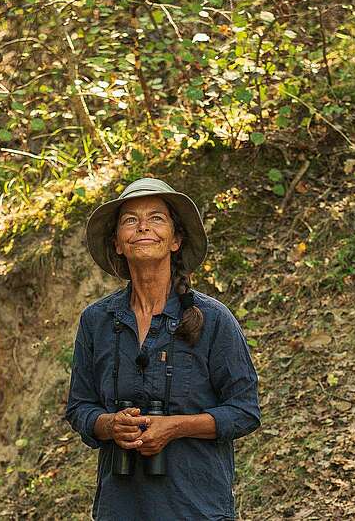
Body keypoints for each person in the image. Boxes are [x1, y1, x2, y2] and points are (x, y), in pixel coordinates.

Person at [64, 178, 261, 521]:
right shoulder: (96, 320)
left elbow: (245, 411)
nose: (143, 227)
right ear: (118, 244)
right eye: (130, 220)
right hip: (120, 508)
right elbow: (80, 407)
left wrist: (175, 426)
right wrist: (109, 425)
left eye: (156, 218)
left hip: (197, 508)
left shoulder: (212, 319)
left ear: (175, 240)